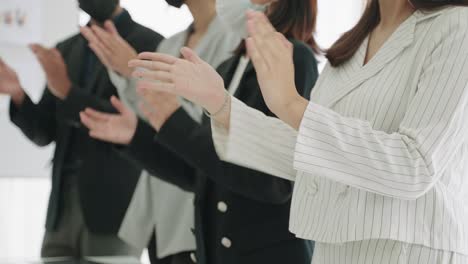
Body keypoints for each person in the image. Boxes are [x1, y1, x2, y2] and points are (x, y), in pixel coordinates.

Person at [107, 0, 468, 263]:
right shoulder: (352, 45)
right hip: (333, 249)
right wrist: (220, 102)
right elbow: (309, 154)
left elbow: (415, 166)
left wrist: (292, 105)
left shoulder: (456, 28)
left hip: (411, 250)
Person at [79, 0, 319, 263]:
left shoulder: (295, 57)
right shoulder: (231, 65)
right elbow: (199, 174)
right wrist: (136, 137)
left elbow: (275, 183)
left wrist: (175, 121)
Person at [80, 0, 241, 263]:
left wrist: (135, 72)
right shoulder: (170, 45)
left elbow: (211, 125)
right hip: (160, 210)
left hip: (194, 205)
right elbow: (152, 117)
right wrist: (128, 77)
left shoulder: (234, 39)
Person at [0, 0, 162, 258]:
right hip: (60, 210)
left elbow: (139, 124)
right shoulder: (65, 49)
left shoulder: (152, 45)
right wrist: (17, 93)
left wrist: (67, 90)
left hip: (116, 207)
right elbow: (45, 132)